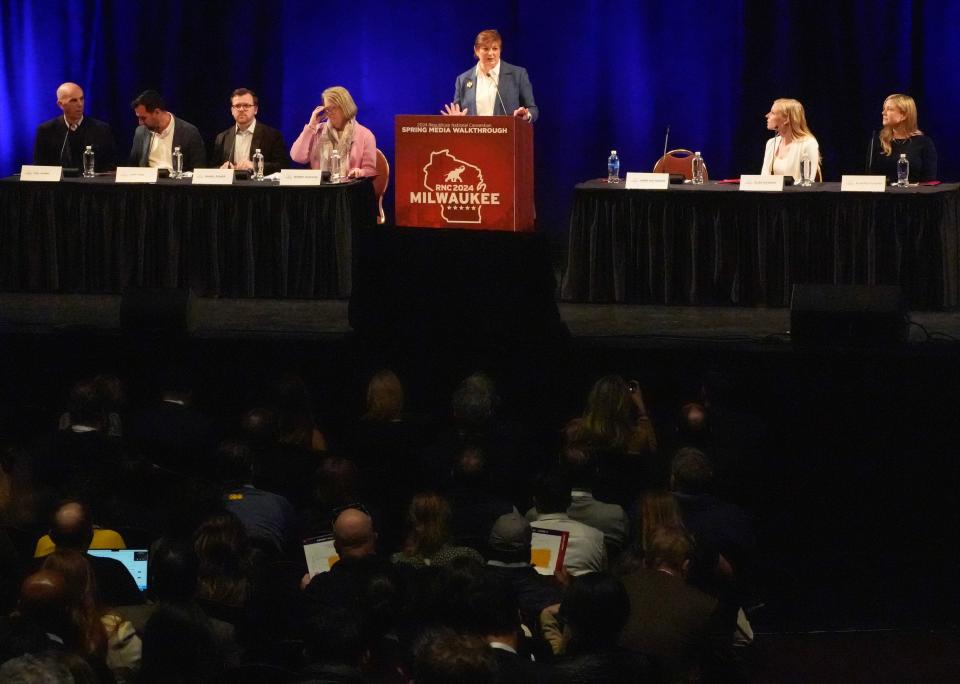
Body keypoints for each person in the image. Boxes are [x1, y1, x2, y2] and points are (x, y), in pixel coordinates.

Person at [442, 29, 538, 122]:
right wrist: (456, 119)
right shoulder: (462, 80)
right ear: (476, 50)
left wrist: (526, 114)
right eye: (486, 49)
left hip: (506, 137)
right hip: (473, 137)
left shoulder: (518, 75)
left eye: (495, 48)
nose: (491, 53)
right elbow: (457, 113)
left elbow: (533, 109)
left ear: (500, 50)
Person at [289, 85, 377, 178]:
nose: (330, 113)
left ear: (345, 107)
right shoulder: (317, 130)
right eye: (327, 109)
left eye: (334, 108)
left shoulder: (365, 134)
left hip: (351, 188)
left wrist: (360, 172)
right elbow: (297, 157)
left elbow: (370, 170)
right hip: (321, 189)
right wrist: (311, 126)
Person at [33, 82, 117, 170]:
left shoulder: (101, 130)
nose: (80, 104)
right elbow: (39, 168)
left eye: (82, 99)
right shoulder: (46, 131)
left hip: (91, 183)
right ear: (60, 104)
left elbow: (111, 166)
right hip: (59, 183)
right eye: (73, 100)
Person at [211, 88, 287, 175]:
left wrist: (256, 166)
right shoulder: (222, 137)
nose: (241, 109)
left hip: (259, 187)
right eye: (237, 106)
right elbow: (212, 167)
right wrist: (221, 169)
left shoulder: (272, 136)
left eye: (246, 106)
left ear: (255, 110)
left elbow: (283, 166)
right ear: (232, 110)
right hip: (231, 187)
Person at [867, 93, 938, 183]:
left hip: (914, 196)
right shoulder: (877, 141)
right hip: (882, 196)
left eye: (889, 109)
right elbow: (869, 179)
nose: (883, 113)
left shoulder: (924, 143)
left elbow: (929, 182)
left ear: (903, 115)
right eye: (884, 109)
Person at [129, 89, 205, 171]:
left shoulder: (189, 132)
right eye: (138, 118)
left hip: (178, 182)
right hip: (149, 183)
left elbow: (198, 170)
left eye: (143, 118)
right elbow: (133, 167)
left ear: (157, 112)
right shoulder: (140, 132)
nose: (140, 123)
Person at [760, 98, 820, 179]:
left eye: (772, 113)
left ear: (786, 119)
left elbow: (809, 182)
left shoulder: (808, 143)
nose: (767, 115)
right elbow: (764, 178)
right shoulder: (771, 143)